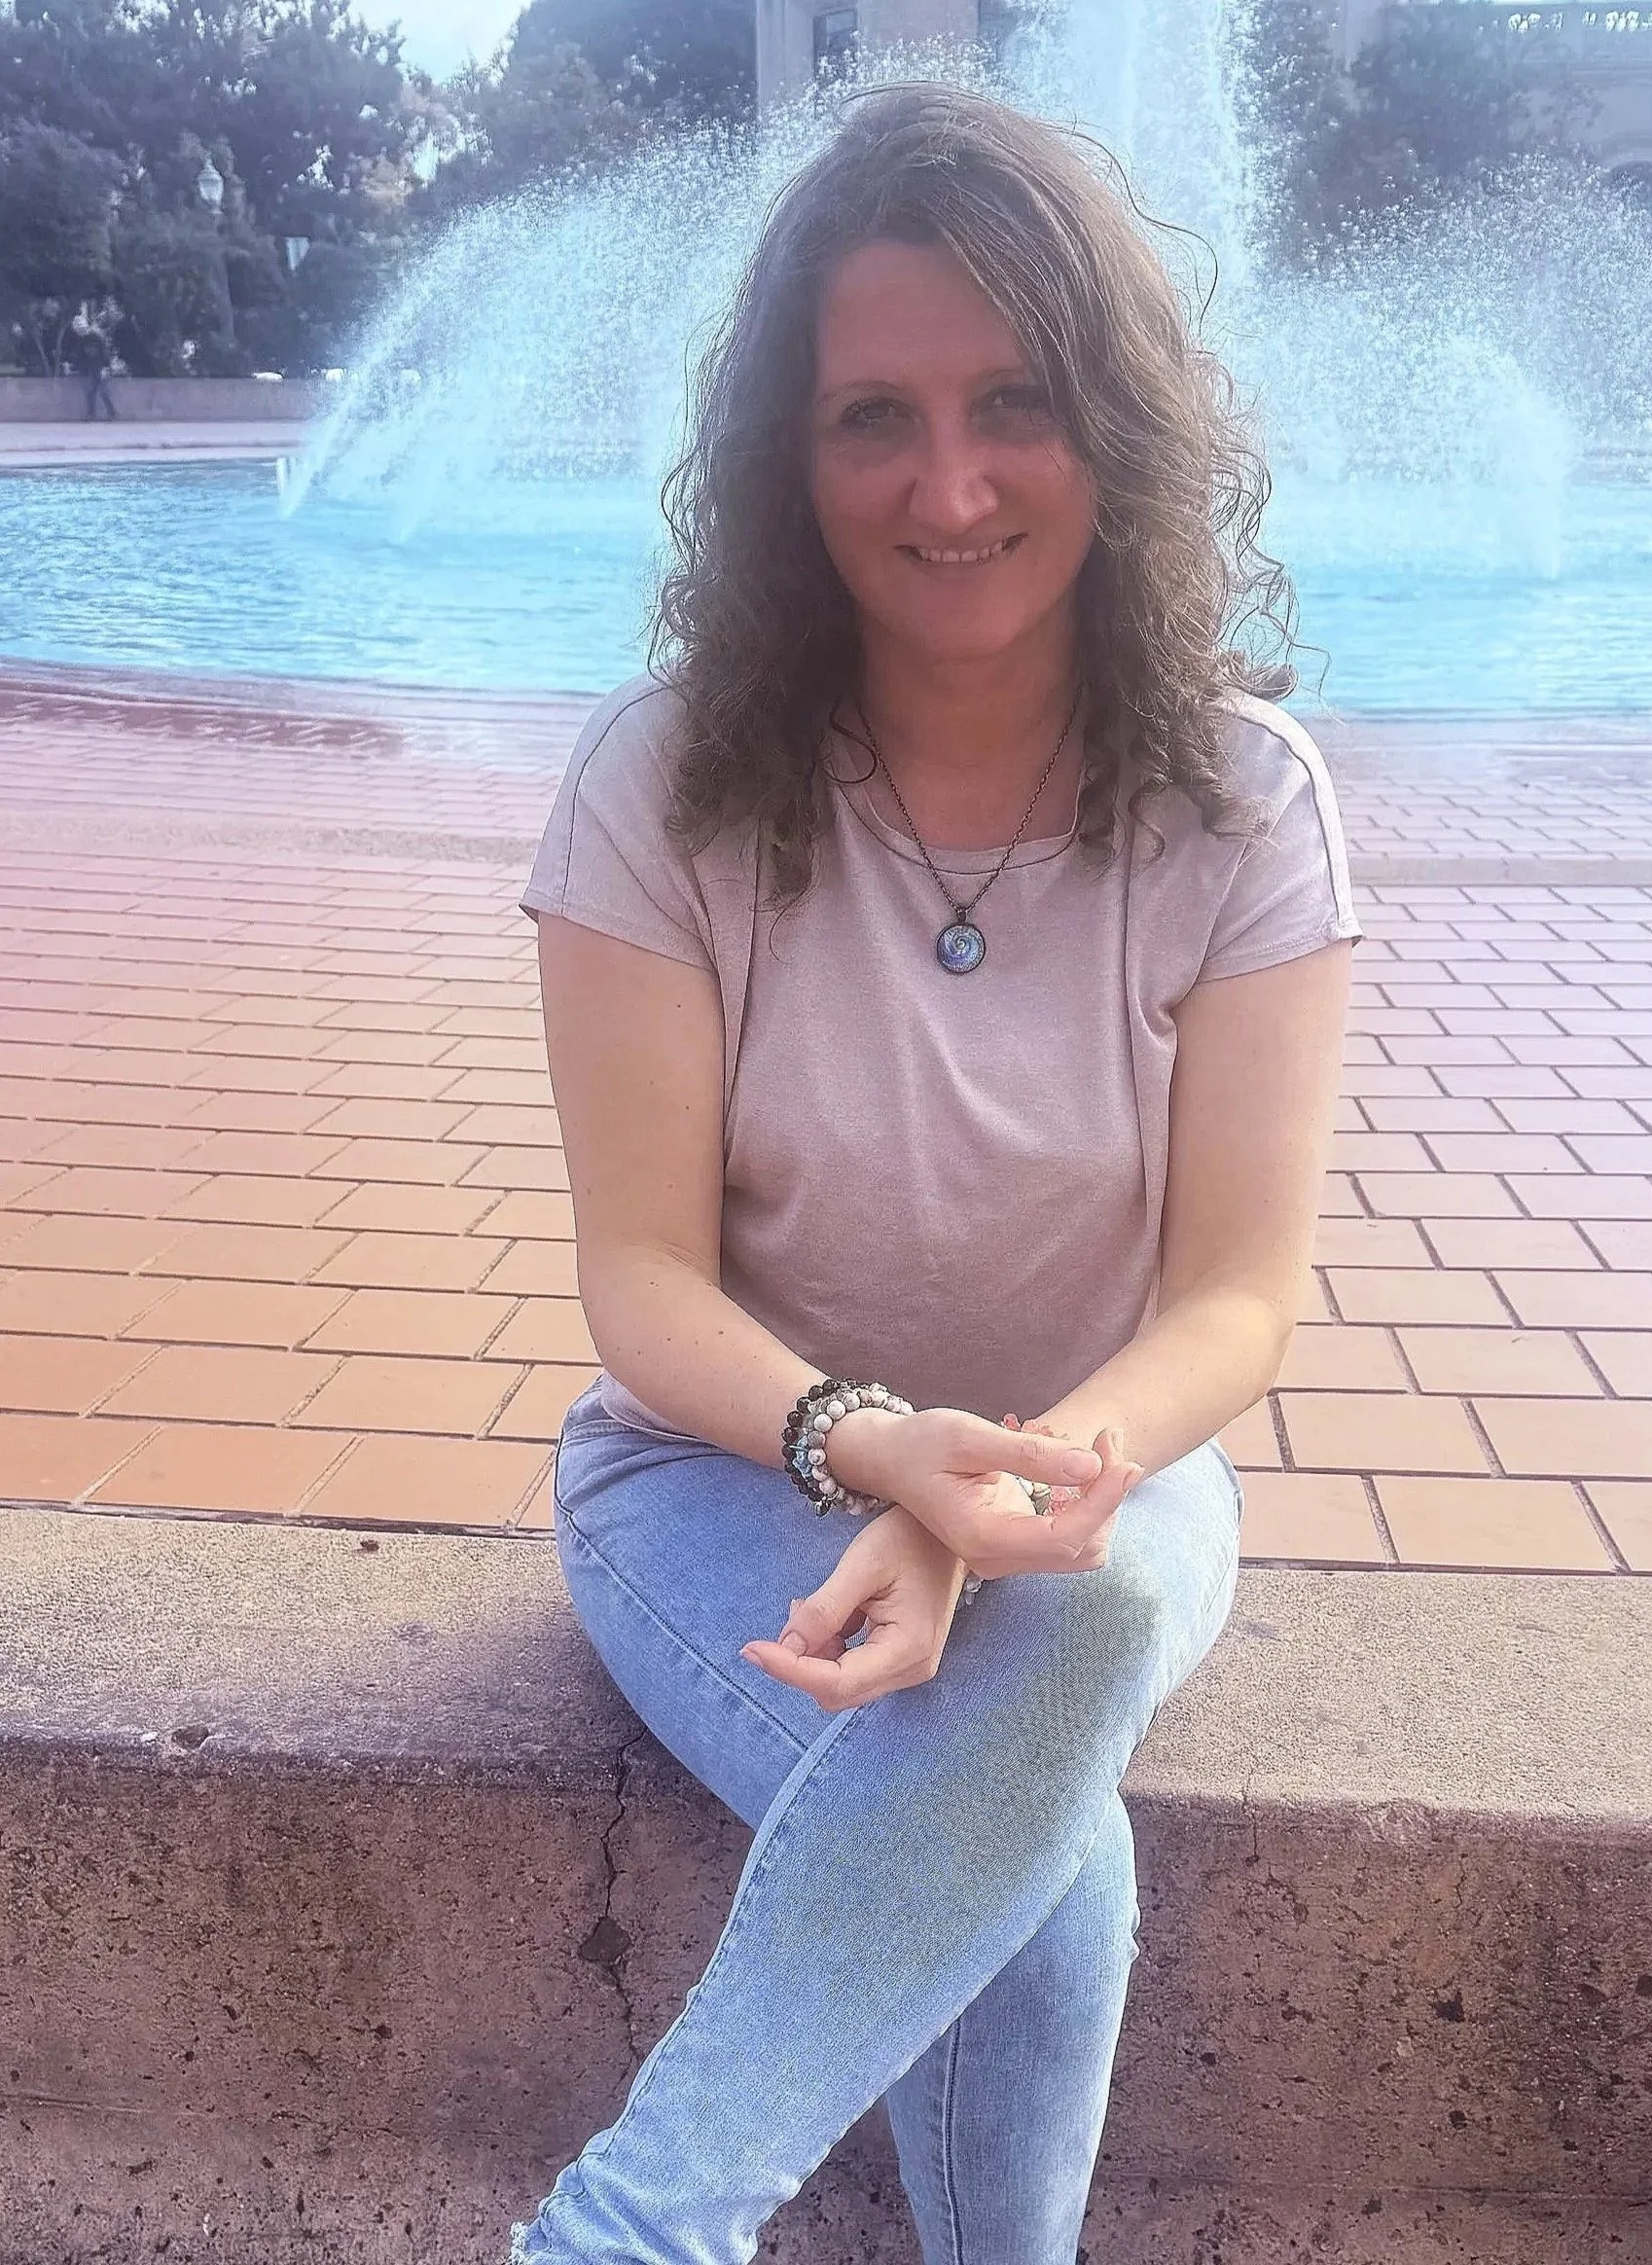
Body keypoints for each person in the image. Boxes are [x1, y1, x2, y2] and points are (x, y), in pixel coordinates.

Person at [512, 83, 1359, 2265]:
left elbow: (1234, 1301)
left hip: (1106, 1469)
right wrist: (875, 1449)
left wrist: (1008, 1498)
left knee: (1083, 1620)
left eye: (1013, 402)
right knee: (1035, 1823)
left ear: (1118, 425)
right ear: (789, 465)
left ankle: (626, 2234)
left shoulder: (1241, 806)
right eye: (871, 416)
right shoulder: (664, 782)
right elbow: (640, 1279)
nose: (951, 481)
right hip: (723, 1479)